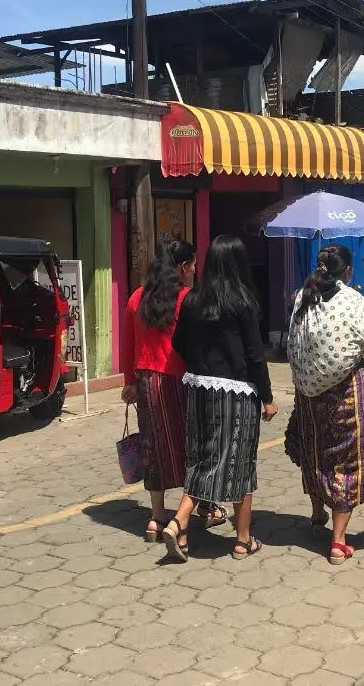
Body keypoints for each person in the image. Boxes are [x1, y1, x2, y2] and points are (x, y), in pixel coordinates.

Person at [161, 235, 277, 562]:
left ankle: (185, 524)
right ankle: (237, 538)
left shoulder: (193, 299)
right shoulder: (243, 301)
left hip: (198, 388)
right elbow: (256, 355)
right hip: (236, 393)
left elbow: (179, 342)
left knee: (201, 457)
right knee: (239, 461)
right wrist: (267, 397)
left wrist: (201, 362)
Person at [284, 244, 364, 565]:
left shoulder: (302, 297)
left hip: (308, 394)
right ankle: (338, 540)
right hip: (345, 393)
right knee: (345, 458)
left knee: (315, 451)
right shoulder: (352, 300)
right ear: (347, 271)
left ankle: (318, 515)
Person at [120, 238, 227, 543]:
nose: (195, 269)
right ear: (182, 267)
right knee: (194, 445)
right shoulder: (187, 298)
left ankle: (156, 517)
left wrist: (129, 382)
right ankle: (203, 508)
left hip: (146, 381)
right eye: (192, 264)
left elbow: (128, 345)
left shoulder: (136, 298)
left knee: (153, 447)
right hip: (179, 379)